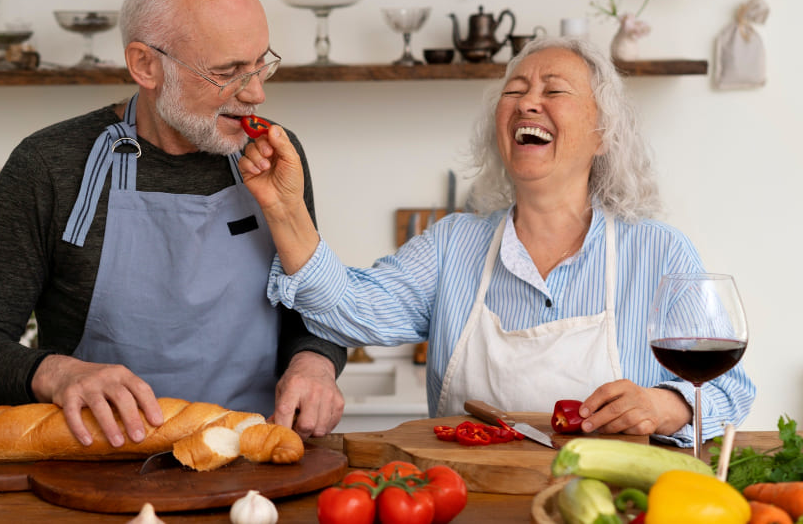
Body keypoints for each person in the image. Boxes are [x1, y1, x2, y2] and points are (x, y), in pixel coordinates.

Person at [238, 36, 755, 446]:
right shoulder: (452, 245)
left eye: (553, 91)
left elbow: (730, 387)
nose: (528, 101)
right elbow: (348, 310)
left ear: (602, 132)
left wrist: (668, 406)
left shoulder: (659, 253)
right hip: (467, 501)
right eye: (515, 91)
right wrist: (284, 207)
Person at [0, 0, 346, 448]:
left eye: (260, 64)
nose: (255, 93)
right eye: (227, 72)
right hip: (96, 465)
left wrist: (315, 362)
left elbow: (316, 310)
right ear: (146, 65)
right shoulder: (50, 165)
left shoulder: (273, 156)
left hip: (252, 454)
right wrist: (56, 373)